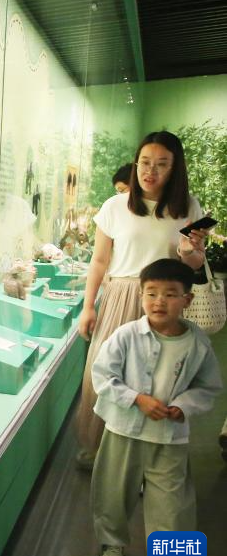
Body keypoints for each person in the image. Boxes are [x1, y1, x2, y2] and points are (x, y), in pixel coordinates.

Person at [90, 259, 221, 556]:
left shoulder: (197, 343)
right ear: (141, 295)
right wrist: (136, 399)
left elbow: (208, 386)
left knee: (174, 508)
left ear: (187, 300)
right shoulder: (126, 335)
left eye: (170, 294)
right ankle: (112, 542)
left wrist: (183, 406)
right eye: (151, 293)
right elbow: (103, 375)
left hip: (169, 439)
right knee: (113, 491)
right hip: (123, 430)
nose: (159, 301)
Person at [75, 131, 209, 468]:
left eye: (162, 164)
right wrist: (88, 306)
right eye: (145, 163)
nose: (151, 171)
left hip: (167, 298)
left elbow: (195, 264)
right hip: (122, 295)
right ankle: (100, 450)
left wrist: (188, 250)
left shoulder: (189, 206)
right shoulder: (115, 206)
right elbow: (100, 261)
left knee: (158, 378)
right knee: (104, 371)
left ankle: (146, 458)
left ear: (175, 168)